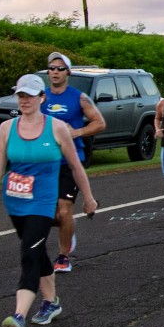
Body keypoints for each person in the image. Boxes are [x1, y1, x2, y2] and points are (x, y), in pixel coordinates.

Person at [0, 74, 97, 327]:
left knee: (29, 253)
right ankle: (51, 302)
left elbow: (75, 166)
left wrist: (88, 198)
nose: (24, 100)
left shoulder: (58, 128)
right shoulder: (7, 128)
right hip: (15, 202)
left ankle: (18, 316)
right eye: (21, 95)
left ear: (42, 98)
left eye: (30, 95)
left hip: (42, 203)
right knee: (36, 251)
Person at [43, 51, 107, 273]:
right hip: (46, 162)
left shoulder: (78, 97)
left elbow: (99, 123)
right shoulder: (41, 97)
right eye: (52, 68)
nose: (55, 72)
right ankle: (68, 229)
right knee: (49, 216)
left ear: (68, 72)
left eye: (60, 68)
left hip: (71, 161)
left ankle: (63, 257)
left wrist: (77, 132)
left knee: (63, 210)